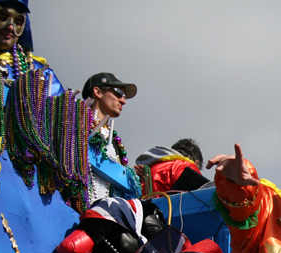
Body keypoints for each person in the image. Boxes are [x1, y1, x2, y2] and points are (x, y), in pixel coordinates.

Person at [82, 72, 140, 205]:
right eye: (118, 92)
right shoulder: (73, 122)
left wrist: (133, 175)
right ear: (97, 92)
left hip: (103, 213)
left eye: (124, 97)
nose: (123, 101)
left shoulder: (114, 141)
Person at [0, 0, 63, 97]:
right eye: (2, 17)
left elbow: (60, 107)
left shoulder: (41, 73)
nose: (10, 27)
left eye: (18, 21)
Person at [134, 138, 209, 195]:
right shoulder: (186, 166)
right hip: (166, 213)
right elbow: (197, 199)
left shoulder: (148, 169)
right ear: (196, 162)